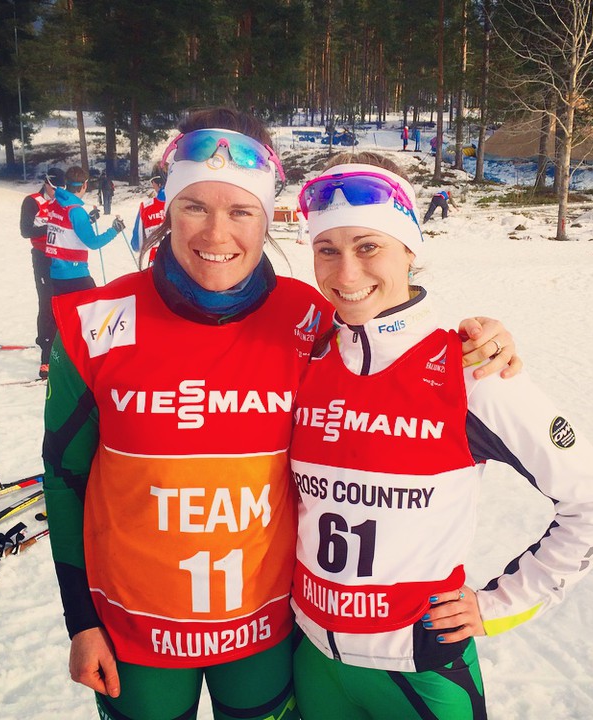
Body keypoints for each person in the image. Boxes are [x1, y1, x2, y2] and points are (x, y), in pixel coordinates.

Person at [42, 108, 520, 720]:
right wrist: (80, 621)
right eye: (194, 206)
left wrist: (483, 339)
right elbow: (63, 477)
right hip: (136, 636)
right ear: (165, 209)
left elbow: (393, 339)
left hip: (265, 634)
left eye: (241, 211)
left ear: (268, 219)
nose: (216, 235)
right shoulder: (94, 322)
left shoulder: (312, 317)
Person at [290, 154, 593, 719]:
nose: (346, 273)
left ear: (410, 249)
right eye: (329, 250)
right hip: (313, 659)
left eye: (369, 246)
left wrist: (501, 604)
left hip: (419, 668)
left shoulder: (469, 368)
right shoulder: (307, 357)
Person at [45, 166, 125, 296]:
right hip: (75, 275)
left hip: (56, 276)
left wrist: (88, 220)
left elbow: (67, 227)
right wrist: (114, 230)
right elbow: (93, 243)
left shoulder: (55, 203)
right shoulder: (76, 211)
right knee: (96, 310)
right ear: (85, 185)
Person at [19, 167, 64, 379]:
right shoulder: (33, 201)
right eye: (54, 187)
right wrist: (52, 228)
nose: (57, 191)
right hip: (42, 256)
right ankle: (46, 352)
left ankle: (60, 344)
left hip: (63, 256)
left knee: (64, 300)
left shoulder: (63, 200)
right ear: (46, 183)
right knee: (46, 301)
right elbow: (25, 230)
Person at [130, 173, 166, 266]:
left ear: (157, 184)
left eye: (152, 183)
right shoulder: (181, 202)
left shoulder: (146, 207)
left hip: (157, 260)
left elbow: (136, 244)